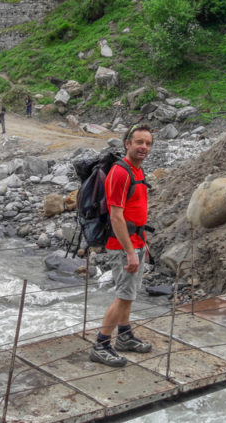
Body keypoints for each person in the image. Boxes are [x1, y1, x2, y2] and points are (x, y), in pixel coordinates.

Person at [90, 123, 153, 368]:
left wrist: (142, 244)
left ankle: (124, 337)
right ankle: (101, 345)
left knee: (129, 295)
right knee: (123, 295)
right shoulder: (120, 172)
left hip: (137, 241)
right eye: (139, 142)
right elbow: (116, 216)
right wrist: (130, 252)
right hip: (122, 245)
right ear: (127, 144)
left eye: (147, 143)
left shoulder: (138, 170)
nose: (143, 147)